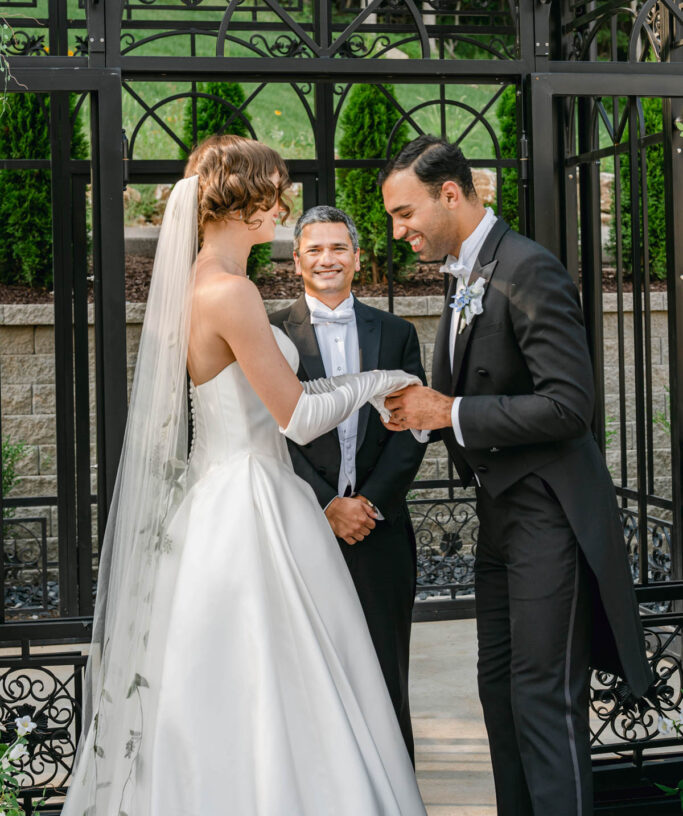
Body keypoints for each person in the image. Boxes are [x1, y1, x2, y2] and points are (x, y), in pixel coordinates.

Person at [61, 135, 426, 816]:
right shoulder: (229, 291)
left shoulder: (204, 282)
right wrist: (382, 380)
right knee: (269, 677)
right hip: (251, 502)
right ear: (245, 204)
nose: (283, 207)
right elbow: (298, 416)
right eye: (276, 194)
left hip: (223, 494)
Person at [379, 135, 653, 816]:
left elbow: (569, 405)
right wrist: (423, 414)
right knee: (499, 691)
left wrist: (449, 411)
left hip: (549, 515)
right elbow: (478, 388)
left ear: (450, 193)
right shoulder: (466, 272)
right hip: (499, 517)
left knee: (541, 696)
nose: (399, 230)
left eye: (405, 213)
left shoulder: (527, 269)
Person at [271, 205, 427, 761]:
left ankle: (394, 782)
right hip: (301, 528)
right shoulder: (269, 334)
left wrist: (369, 503)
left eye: (339, 248)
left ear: (358, 259)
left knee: (385, 668)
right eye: (314, 249)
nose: (327, 259)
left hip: (379, 529)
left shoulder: (398, 333)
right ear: (296, 261)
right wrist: (326, 505)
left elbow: (414, 427)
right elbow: (268, 434)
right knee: (306, 667)